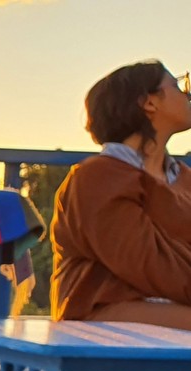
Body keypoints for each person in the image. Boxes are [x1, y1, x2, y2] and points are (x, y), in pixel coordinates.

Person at [50, 60, 191, 330]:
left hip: (173, 305)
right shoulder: (97, 178)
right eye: (176, 86)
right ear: (149, 103)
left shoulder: (184, 179)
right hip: (103, 310)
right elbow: (147, 262)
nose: (187, 94)